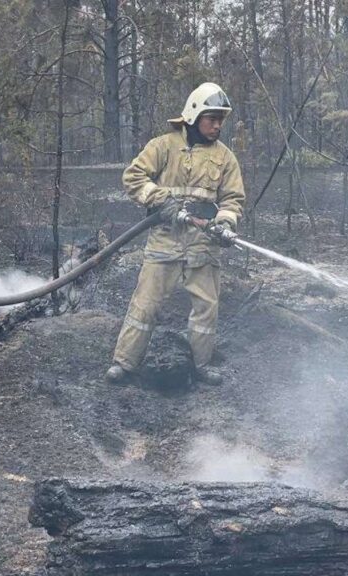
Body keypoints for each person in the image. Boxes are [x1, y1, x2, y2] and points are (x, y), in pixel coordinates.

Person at [106, 82, 246, 386]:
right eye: (213, 118)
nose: (218, 125)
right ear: (194, 115)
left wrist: (225, 223)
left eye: (221, 119)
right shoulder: (163, 146)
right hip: (165, 239)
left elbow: (233, 199)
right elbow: (133, 177)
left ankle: (202, 365)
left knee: (206, 307)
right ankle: (124, 363)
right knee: (145, 304)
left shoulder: (225, 158)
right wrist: (161, 201)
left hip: (203, 243)